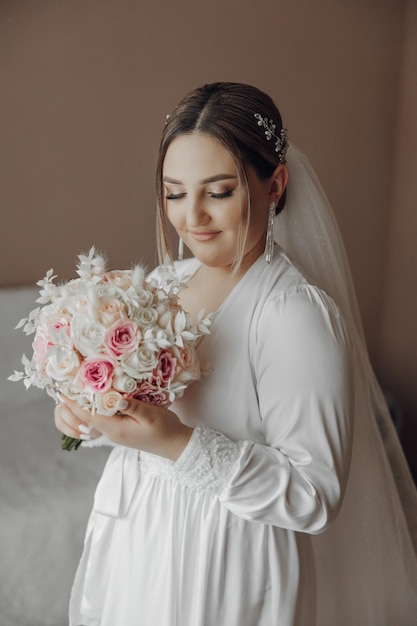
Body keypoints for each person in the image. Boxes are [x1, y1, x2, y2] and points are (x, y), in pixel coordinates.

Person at [55, 82, 417, 626]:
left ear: (274, 186)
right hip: (141, 538)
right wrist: (93, 416)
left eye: (218, 191)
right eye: (175, 192)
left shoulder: (293, 314)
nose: (192, 216)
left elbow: (314, 495)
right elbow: (144, 413)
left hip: (226, 564)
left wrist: (177, 442)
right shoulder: (161, 285)